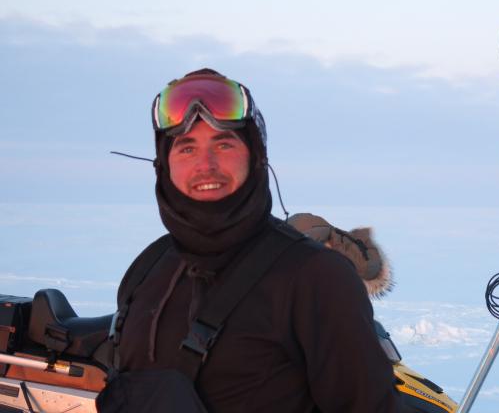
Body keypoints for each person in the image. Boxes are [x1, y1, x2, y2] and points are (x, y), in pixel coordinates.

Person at [103, 68, 402, 412]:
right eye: (187, 148)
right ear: (164, 164)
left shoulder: (316, 278)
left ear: (256, 155)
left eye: (224, 143)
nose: (206, 164)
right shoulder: (147, 267)